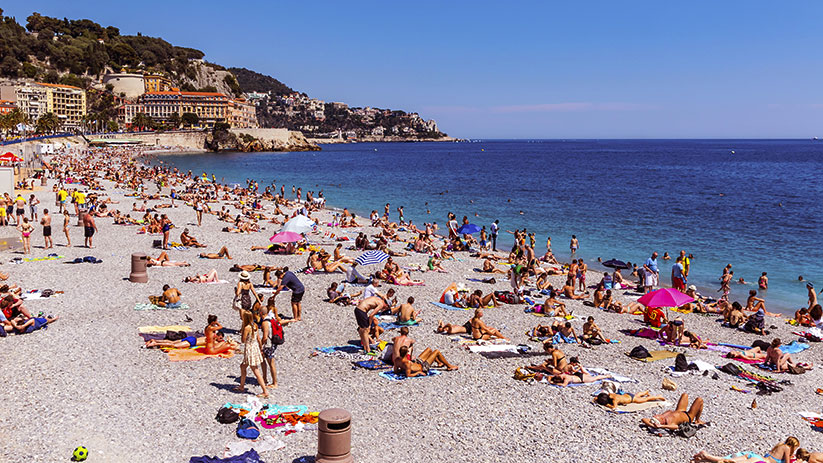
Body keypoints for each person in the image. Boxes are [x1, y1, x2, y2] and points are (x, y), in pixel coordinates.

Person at [234, 309, 268, 398]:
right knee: (243, 366)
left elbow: (243, 340)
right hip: (255, 346)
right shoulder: (255, 325)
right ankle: (241, 386)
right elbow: (258, 339)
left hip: (249, 348)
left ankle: (265, 391)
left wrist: (242, 333)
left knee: (255, 370)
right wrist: (260, 348)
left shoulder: (247, 328)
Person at [692, 437, 799, 463]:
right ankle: (704, 457)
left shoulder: (779, 445)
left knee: (726, 460)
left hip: (754, 456)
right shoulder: (787, 448)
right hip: (761, 461)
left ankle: (705, 457)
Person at [392, 345, 458, 377]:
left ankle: (439, 363)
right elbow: (408, 375)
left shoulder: (397, 360)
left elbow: (395, 371)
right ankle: (449, 366)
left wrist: (402, 369)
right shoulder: (407, 363)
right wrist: (418, 373)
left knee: (429, 349)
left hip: (416, 362)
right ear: (406, 353)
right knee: (436, 352)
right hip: (423, 367)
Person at [595, 390, 665, 409]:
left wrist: (607, 405)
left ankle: (658, 397)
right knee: (637, 395)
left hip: (632, 399)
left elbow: (614, 407)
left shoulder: (615, 400)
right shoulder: (610, 394)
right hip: (627, 395)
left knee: (645, 399)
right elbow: (599, 396)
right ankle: (645, 392)